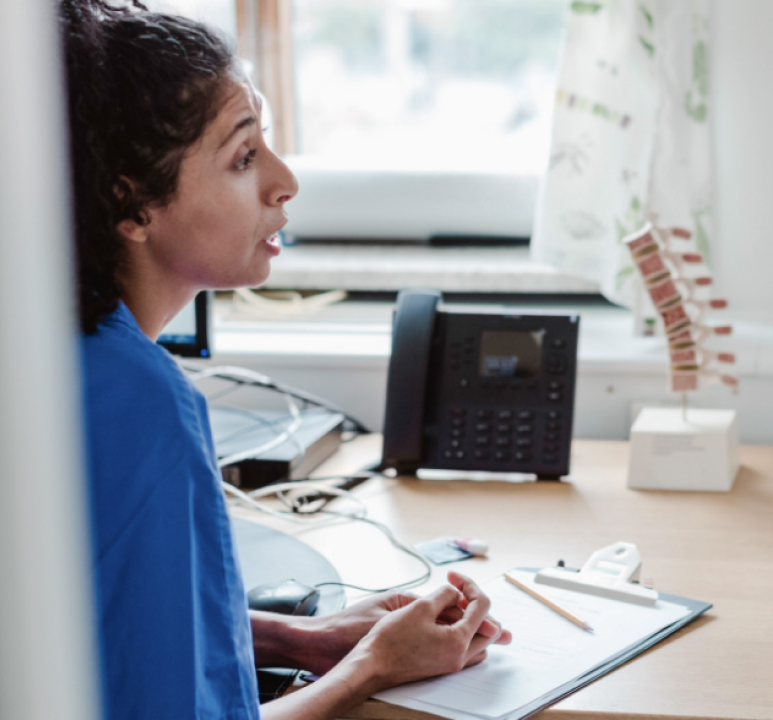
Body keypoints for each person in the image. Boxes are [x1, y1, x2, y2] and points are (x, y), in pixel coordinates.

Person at [61, 2, 511, 718]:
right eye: (243, 157)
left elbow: (92, 634)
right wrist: (370, 666)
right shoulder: (140, 404)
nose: (284, 179)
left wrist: (304, 638)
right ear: (133, 206)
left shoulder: (60, 360)